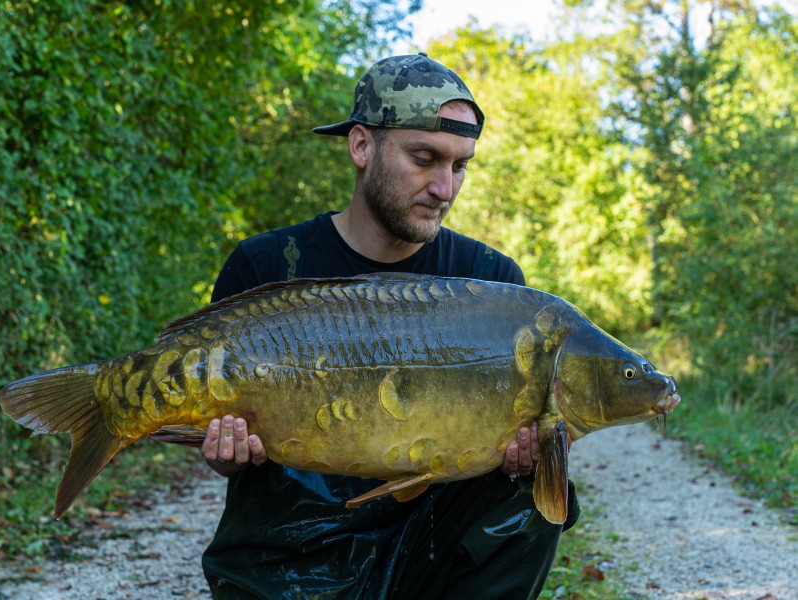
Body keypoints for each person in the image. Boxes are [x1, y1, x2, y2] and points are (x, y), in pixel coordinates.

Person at [198, 52, 579, 599]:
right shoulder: (266, 266)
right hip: (289, 554)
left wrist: (526, 458)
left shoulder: (493, 282)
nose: (444, 189)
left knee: (540, 491)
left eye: (460, 166)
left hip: (427, 551)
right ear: (361, 146)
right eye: (424, 158)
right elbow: (222, 446)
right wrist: (221, 452)